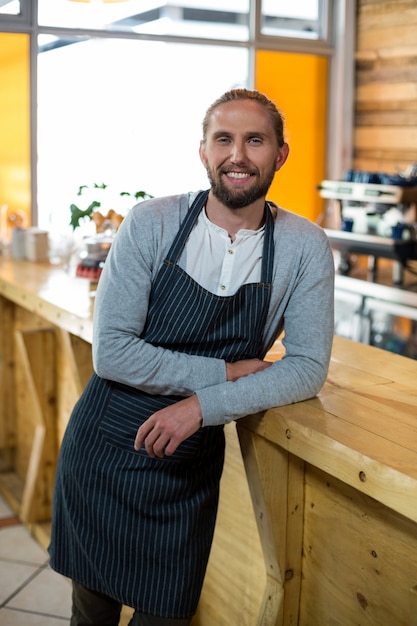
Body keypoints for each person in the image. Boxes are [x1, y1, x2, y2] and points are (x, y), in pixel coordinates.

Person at [49, 88, 335, 626]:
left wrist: (200, 406)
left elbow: (307, 368)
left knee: (167, 615)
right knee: (92, 615)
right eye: (223, 139)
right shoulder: (150, 223)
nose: (238, 156)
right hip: (104, 451)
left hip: (188, 466)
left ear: (280, 154)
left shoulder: (303, 245)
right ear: (202, 152)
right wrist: (221, 373)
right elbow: (112, 353)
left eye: (255, 140)